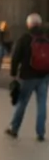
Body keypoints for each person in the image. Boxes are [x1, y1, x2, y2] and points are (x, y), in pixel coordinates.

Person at [6, 13, 49, 142]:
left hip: (27, 76)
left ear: (28, 24)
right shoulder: (46, 37)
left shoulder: (25, 38)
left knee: (22, 102)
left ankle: (14, 129)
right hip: (44, 76)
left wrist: (13, 73)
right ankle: (40, 133)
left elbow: (15, 57)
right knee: (42, 104)